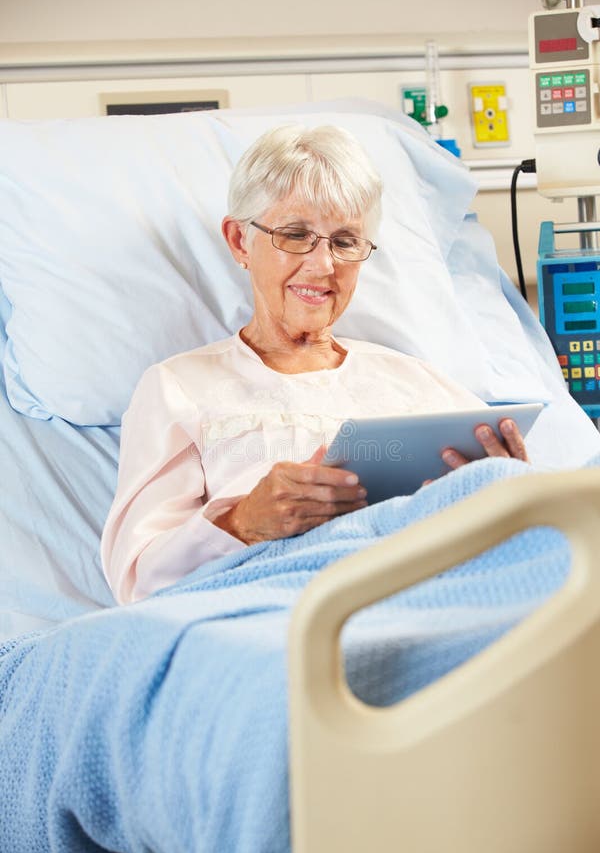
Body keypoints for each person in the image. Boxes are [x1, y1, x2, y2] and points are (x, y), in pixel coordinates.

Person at [101, 123, 528, 605]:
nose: (323, 265)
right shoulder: (179, 388)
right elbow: (137, 581)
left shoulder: (416, 381)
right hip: (276, 614)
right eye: (296, 234)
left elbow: (519, 524)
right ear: (240, 242)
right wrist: (241, 522)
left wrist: (506, 487)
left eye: (345, 241)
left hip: (428, 600)